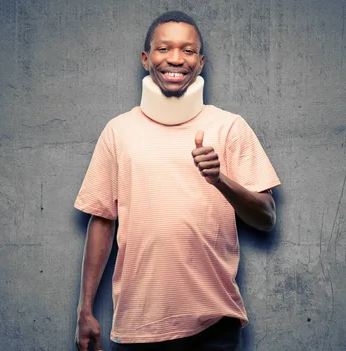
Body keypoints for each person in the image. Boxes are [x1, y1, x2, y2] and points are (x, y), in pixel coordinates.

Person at [74, 10, 281, 351]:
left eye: (188, 51)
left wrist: (220, 180)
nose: (175, 59)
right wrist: (85, 309)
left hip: (214, 324)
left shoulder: (230, 127)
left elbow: (267, 218)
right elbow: (101, 220)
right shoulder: (118, 131)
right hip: (138, 324)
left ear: (201, 63)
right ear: (146, 58)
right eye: (164, 48)